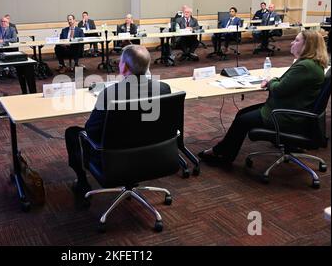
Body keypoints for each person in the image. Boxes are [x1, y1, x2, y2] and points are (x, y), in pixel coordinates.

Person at [199, 30, 329, 166]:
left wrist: (270, 82)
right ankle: (223, 151)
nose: (292, 42)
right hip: (290, 107)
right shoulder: (311, 64)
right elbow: (285, 80)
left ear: (307, 45)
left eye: (296, 40)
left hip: (284, 114)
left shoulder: (305, 66)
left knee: (242, 120)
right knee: (242, 113)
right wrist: (274, 80)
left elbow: (279, 89)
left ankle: (223, 156)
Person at [65, 45, 171, 194]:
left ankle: (82, 182)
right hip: (152, 153)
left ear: (125, 68)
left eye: (120, 62)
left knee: (72, 133)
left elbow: (91, 130)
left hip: (115, 158)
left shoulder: (110, 94)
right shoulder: (164, 88)